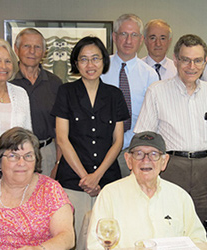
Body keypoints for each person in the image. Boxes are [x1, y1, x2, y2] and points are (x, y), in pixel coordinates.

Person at [134, 34, 207, 223]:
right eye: (186, 60)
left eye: (197, 60)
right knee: (169, 221)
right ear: (176, 60)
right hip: (172, 167)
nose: (191, 67)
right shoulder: (157, 91)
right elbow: (144, 138)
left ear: (205, 61)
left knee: (204, 225)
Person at [51, 36, 129, 245]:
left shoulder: (115, 95)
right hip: (73, 182)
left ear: (104, 61)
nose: (90, 64)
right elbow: (62, 138)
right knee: (74, 240)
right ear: (76, 63)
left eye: (95, 58)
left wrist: (98, 176)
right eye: (83, 59)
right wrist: (87, 177)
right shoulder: (65, 92)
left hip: (108, 182)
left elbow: (118, 141)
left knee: (108, 241)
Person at [87, 131, 207, 249]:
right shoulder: (109, 195)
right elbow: (96, 244)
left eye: (154, 154)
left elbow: (199, 241)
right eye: (139, 154)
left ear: (164, 162)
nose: (146, 160)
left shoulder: (180, 196)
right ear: (128, 160)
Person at [0, 127, 74, 249]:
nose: (21, 163)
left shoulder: (50, 189)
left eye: (28, 156)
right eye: (13, 156)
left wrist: (38, 249)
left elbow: (67, 237)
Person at [101, 13, 159, 177]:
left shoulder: (150, 75)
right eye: (123, 34)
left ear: (141, 40)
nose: (128, 41)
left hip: (136, 150)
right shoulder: (101, 69)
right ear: (114, 36)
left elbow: (152, 117)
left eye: (134, 35)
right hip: (104, 148)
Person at [11, 28, 63, 177]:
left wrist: (58, 162)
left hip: (47, 153)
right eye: (27, 46)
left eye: (37, 47)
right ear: (16, 49)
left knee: (44, 198)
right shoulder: (8, 81)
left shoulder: (55, 83)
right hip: (14, 154)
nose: (32, 51)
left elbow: (60, 129)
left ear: (44, 52)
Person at [0, 39, 31, 178]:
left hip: (16, 174)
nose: (3, 66)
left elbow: (28, 137)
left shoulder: (21, 94)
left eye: (8, 61)